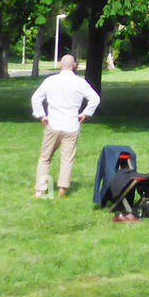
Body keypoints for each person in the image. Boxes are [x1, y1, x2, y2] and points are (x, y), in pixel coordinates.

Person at [31, 54, 100, 198]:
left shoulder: (51, 81)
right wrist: (85, 113)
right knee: (67, 159)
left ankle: (40, 190)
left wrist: (41, 115)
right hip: (71, 125)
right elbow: (95, 98)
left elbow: (36, 98)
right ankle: (62, 190)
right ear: (74, 65)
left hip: (53, 124)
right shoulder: (80, 82)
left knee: (45, 158)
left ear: (60, 65)